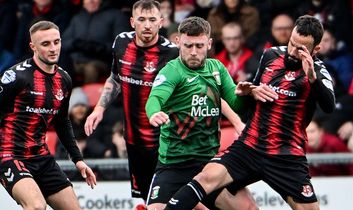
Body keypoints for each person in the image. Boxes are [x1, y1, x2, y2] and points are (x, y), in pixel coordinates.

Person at [162, 15, 336, 210]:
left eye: (301, 49)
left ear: (316, 50)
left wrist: (312, 77)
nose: (293, 51)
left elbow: (329, 106)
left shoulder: (318, 72)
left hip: (286, 155)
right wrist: (251, 92)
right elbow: (252, 95)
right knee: (206, 177)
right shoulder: (270, 55)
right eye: (291, 43)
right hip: (250, 146)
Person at [145, 16, 263, 210]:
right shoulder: (172, 71)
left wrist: (244, 95)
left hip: (210, 163)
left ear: (209, 43)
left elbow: (235, 104)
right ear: (178, 42)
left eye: (199, 46)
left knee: (249, 208)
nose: (193, 52)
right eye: (188, 45)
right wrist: (154, 113)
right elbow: (155, 98)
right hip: (174, 164)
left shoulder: (217, 69)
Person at [84, 0, 179, 201]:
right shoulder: (121, 42)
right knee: (146, 200)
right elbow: (115, 78)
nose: (147, 25)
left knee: (171, 199)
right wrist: (99, 108)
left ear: (161, 22)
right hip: (134, 141)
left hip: (165, 143)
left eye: (152, 20)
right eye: (142, 19)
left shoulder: (172, 53)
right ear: (132, 21)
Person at [0, 20, 96, 210]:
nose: (53, 48)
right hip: (10, 155)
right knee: (36, 206)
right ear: (32, 47)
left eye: (56, 42)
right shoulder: (15, 78)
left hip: (41, 157)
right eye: (45, 44)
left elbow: (62, 122)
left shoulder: (64, 79)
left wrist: (78, 160)